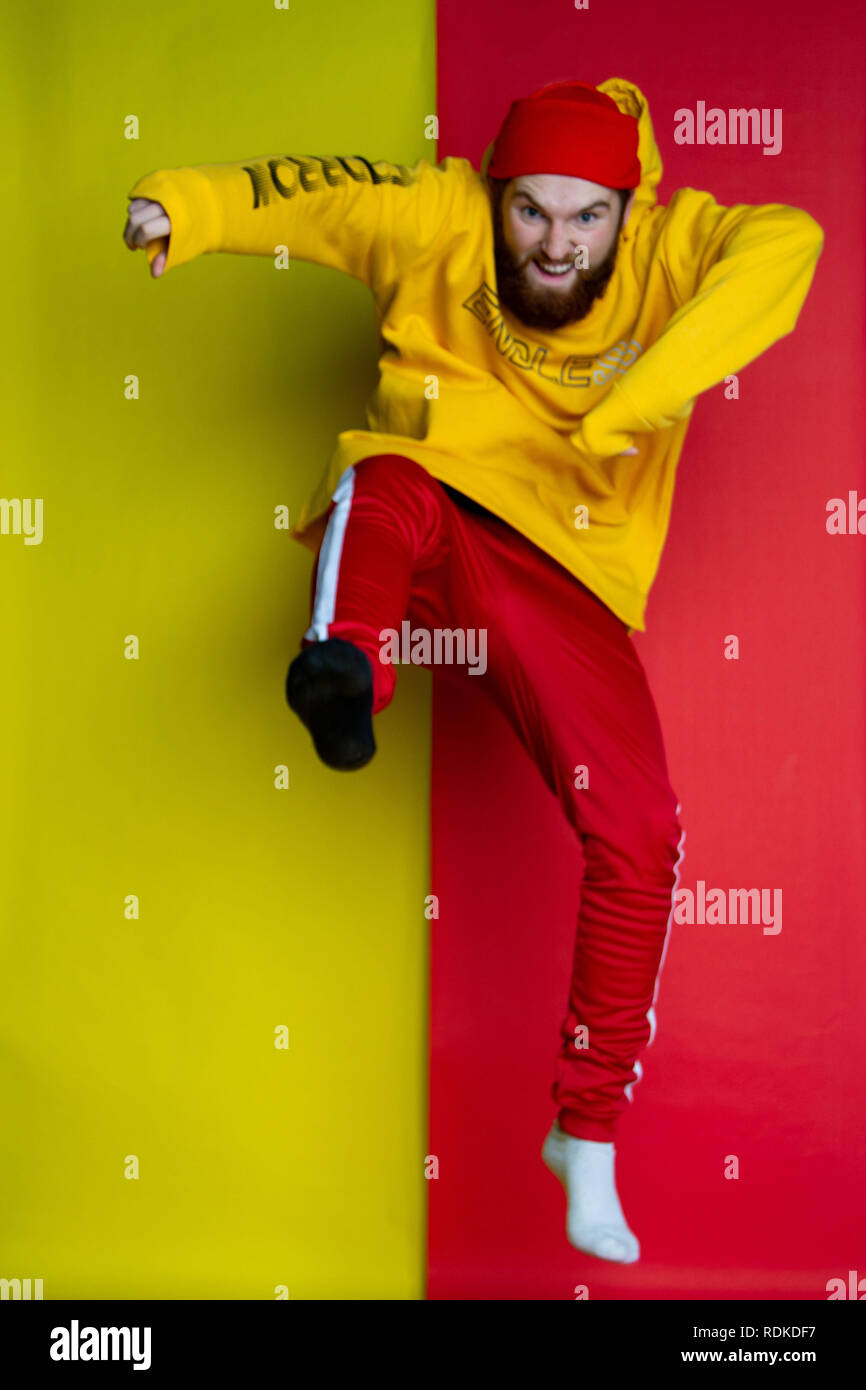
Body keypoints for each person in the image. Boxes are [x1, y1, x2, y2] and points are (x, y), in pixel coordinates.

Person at [123, 77, 824, 1264]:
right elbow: (304, 196)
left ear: (624, 209)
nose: (555, 245)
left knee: (644, 830)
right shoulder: (436, 214)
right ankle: (345, 668)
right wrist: (180, 206)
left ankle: (584, 1136)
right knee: (381, 481)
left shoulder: (672, 242)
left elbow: (788, 245)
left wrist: (640, 396)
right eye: (531, 213)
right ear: (495, 197)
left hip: (566, 575)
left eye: (584, 219)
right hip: (433, 507)